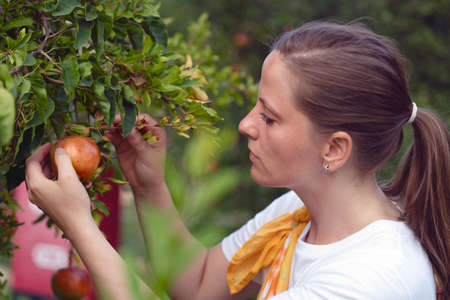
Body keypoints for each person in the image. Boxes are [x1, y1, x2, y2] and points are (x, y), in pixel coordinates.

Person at [25, 20, 449, 300]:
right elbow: (200, 282)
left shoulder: (370, 280)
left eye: (269, 116)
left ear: (334, 149)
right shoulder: (301, 213)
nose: (246, 125)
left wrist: (79, 223)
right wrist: (148, 182)